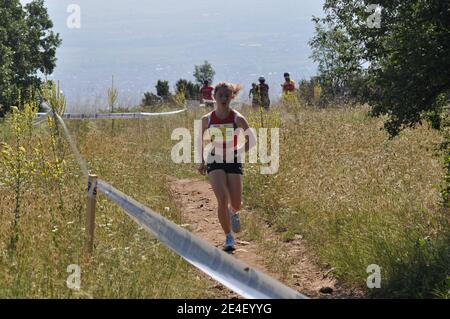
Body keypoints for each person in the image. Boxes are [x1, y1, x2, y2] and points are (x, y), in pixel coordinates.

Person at [197, 82, 256, 252]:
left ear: (232, 97)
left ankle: (234, 211)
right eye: (220, 95)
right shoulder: (207, 119)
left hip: (233, 159)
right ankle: (229, 237)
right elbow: (200, 140)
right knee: (221, 199)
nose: (223, 99)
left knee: (236, 203)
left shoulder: (237, 118)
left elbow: (252, 140)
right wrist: (201, 161)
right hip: (215, 158)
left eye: (227, 96)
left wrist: (238, 151)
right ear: (213, 97)